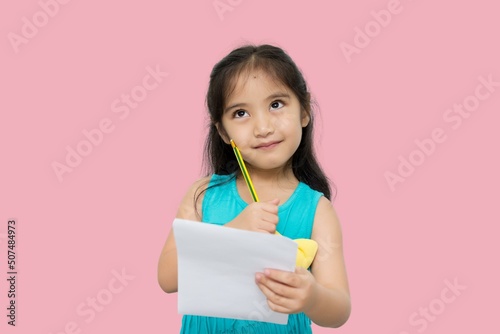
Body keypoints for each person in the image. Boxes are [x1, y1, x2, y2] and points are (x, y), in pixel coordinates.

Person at [157, 44, 351, 333]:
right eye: (240, 113)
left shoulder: (317, 210)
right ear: (223, 131)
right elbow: (168, 278)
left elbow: (339, 309)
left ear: (304, 111)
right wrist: (232, 232)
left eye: (276, 104)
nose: (262, 127)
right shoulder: (203, 195)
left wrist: (312, 296)